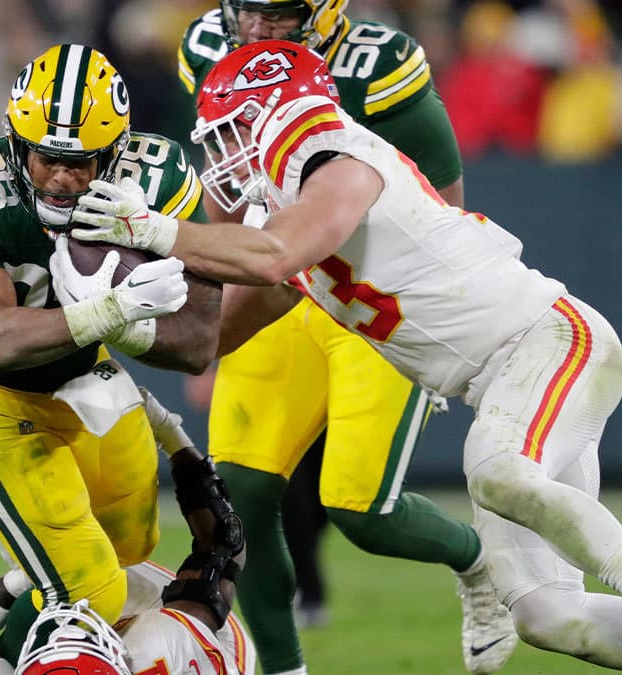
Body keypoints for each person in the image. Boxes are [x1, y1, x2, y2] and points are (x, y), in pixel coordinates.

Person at [72, 39, 622, 674]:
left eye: (236, 128)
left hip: (551, 342)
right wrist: (104, 315)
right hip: (504, 378)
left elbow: (272, 255)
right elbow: (206, 344)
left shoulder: (337, 154)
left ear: (280, 111)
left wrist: (153, 230)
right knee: (548, 617)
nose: (226, 153)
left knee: (496, 470)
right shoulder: (292, 215)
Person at [176, 2, 494, 673]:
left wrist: (438, 322)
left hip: (366, 294)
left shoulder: (379, 65)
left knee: (361, 507)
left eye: (280, 15)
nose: (258, 31)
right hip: (276, 286)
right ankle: (283, 666)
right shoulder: (207, 44)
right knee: (237, 498)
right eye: (248, 13)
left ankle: (484, 558)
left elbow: (446, 201)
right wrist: (220, 314)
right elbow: (228, 186)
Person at [0, 42, 222, 633]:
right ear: (16, 145)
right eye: (46, 159)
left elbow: (197, 343)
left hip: (90, 384)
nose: (63, 178)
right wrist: (112, 310)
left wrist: (131, 318)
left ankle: (42, 608)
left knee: (134, 552)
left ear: (115, 153)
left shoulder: (157, 178)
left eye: (83, 161)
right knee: (91, 587)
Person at [0, 388, 253, 675]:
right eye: (88, 640)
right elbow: (222, 549)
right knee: (70, 566)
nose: (68, 632)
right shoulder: (161, 644)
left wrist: (21, 579)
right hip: (195, 645)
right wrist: (170, 434)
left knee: (40, 585)